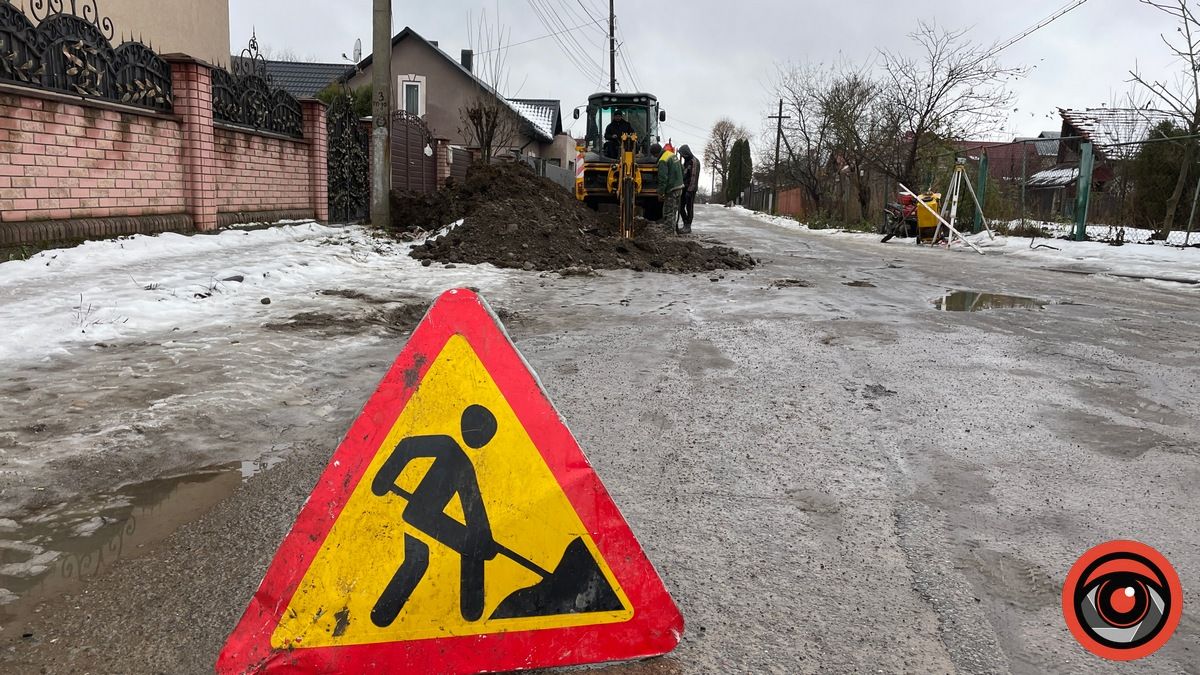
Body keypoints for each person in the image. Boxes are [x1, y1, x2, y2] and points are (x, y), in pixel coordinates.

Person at [370, 404, 500, 627]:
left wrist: (485, 538)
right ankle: (471, 604)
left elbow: (473, 507)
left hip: (427, 518)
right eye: (482, 432)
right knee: (438, 555)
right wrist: (383, 478)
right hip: (419, 514)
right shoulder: (448, 447)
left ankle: (471, 606)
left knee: (467, 546)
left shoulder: (465, 465)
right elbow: (407, 447)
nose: (482, 439)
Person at [652, 143, 685, 233]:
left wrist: (661, 193)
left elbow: (663, 179)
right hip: (679, 187)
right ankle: (672, 231)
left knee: (668, 212)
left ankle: (668, 233)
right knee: (674, 211)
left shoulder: (663, 160)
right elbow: (682, 169)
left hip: (672, 189)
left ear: (655, 154)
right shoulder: (671, 155)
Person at [678, 145, 701, 233]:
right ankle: (685, 223)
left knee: (689, 207)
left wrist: (689, 190)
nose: (682, 156)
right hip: (684, 188)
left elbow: (693, 177)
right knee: (680, 207)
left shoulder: (694, 162)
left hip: (690, 189)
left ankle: (688, 226)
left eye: (682, 154)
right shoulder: (686, 162)